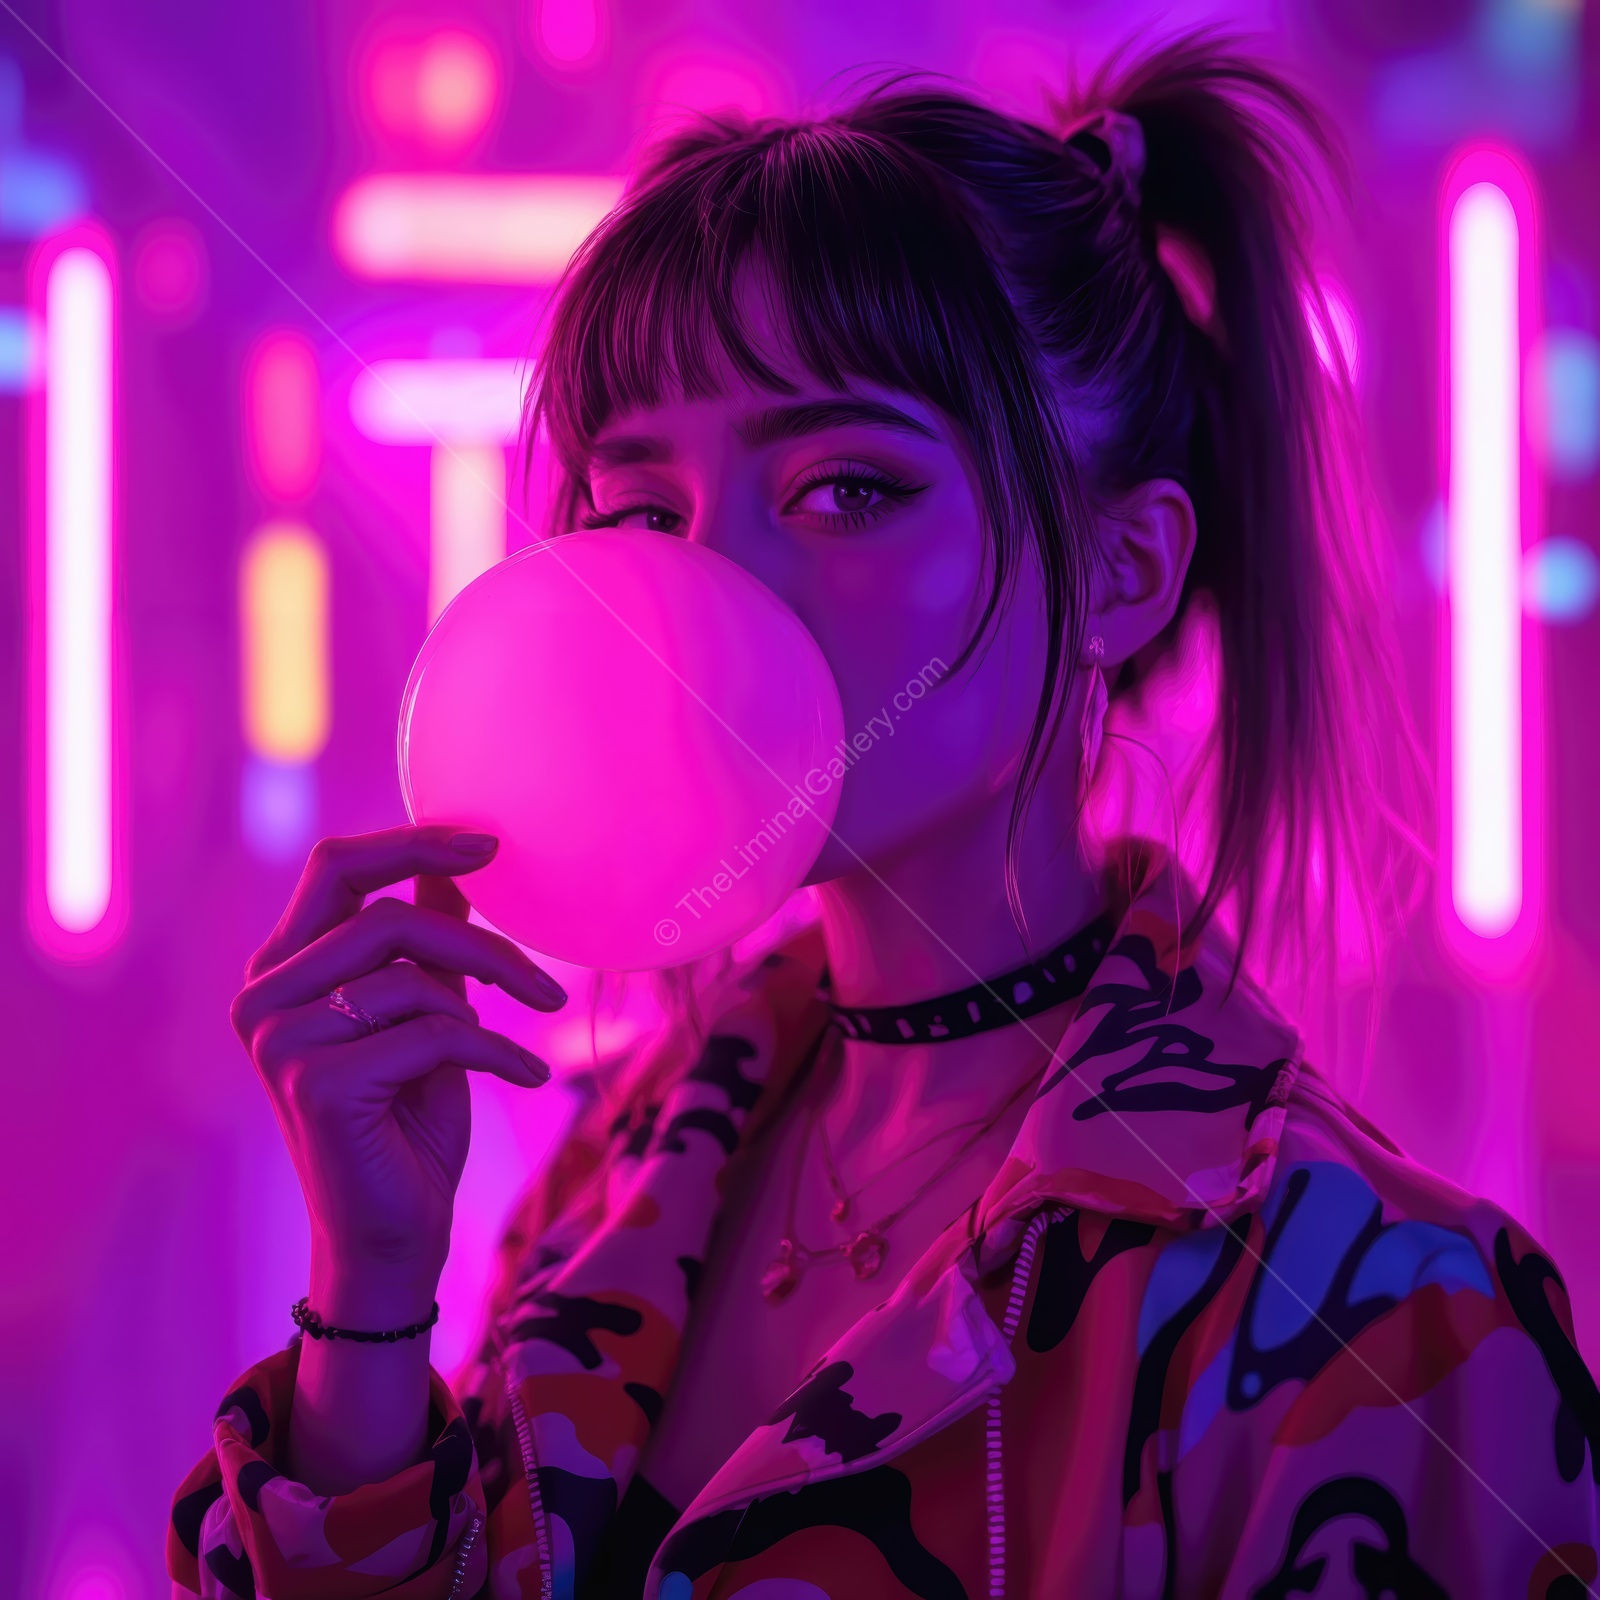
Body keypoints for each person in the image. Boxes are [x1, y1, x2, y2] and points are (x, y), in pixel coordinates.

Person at [169, 35, 1599, 1600]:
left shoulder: (1379, 1315)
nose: (700, 594)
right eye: (645, 510)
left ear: (1125, 570)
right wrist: (371, 1298)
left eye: (847, 487)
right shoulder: (602, 1190)